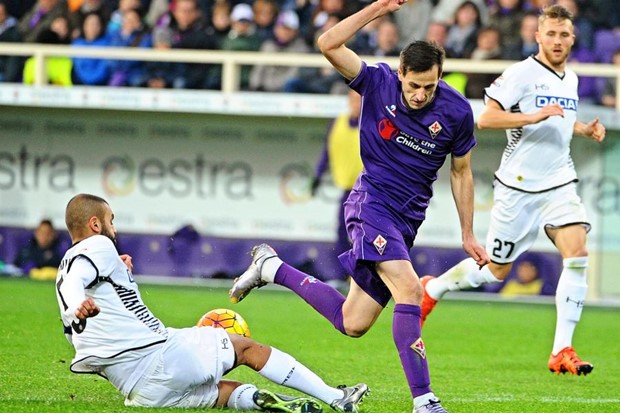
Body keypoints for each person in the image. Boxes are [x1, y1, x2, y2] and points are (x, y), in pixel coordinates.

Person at [230, 0, 490, 411]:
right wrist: (379, 9)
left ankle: (271, 268)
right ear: (401, 72)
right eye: (414, 85)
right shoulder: (377, 81)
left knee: (353, 323)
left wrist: (468, 232)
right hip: (371, 204)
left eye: (430, 86)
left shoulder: (457, 111)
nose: (421, 94)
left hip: (407, 218)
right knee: (409, 288)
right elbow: (328, 43)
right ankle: (425, 401)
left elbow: (461, 173)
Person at [420, 5, 606, 377]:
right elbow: (485, 118)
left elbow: (559, 121)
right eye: (550, 34)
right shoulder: (522, 74)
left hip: (559, 183)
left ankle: (561, 351)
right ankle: (434, 288)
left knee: (578, 253)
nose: (557, 41)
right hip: (517, 189)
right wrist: (531, 116)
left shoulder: (569, 78)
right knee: (494, 271)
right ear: (538, 36)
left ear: (572, 38)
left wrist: (583, 129)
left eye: (563, 35)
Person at [55, 193, 369, 412]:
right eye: (111, 220)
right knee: (247, 349)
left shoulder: (64, 270)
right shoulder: (96, 247)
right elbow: (77, 282)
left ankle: (263, 400)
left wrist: (112, 279)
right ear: (95, 224)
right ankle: (337, 397)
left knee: (222, 392)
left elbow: (84, 316)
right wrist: (78, 300)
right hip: (157, 358)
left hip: (138, 392)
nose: (114, 227)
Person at [310, 89, 363, 286]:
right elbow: (327, 151)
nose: (356, 103)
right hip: (347, 189)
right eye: (353, 99)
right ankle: (344, 275)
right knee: (342, 231)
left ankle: (362, 277)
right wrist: (317, 175)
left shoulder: (372, 123)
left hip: (369, 190)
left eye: (360, 100)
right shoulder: (337, 123)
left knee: (364, 235)